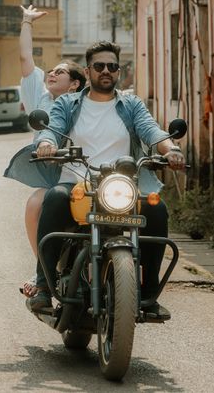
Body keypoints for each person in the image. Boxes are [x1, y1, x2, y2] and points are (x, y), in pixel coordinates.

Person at [27, 40, 185, 320]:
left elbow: (152, 131)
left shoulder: (131, 105)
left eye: (112, 66)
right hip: (77, 183)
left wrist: (171, 149)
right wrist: (47, 143)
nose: (106, 71)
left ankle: (148, 295)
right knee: (53, 198)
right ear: (87, 72)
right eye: (99, 66)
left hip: (119, 186)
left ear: (118, 71)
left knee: (156, 208)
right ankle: (42, 285)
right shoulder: (68, 103)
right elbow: (52, 128)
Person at [11, 5, 86, 296]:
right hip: (51, 176)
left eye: (61, 72)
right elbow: (25, 57)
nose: (52, 74)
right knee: (35, 204)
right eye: (52, 70)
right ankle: (41, 270)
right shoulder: (39, 97)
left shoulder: (87, 104)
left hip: (87, 175)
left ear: (75, 84)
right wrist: (27, 22)